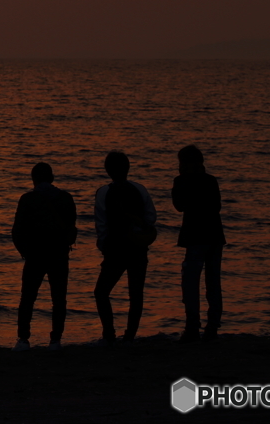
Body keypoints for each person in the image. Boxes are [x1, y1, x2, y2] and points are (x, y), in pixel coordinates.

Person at [10, 162, 77, 351]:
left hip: (35, 254)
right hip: (59, 254)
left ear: (33, 180)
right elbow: (72, 224)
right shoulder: (66, 198)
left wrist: (24, 252)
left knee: (28, 298)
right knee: (59, 298)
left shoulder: (27, 199)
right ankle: (55, 340)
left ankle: (23, 339)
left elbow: (17, 231)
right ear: (52, 178)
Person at [93, 151, 157, 344]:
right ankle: (130, 335)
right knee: (136, 294)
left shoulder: (104, 192)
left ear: (107, 170)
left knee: (101, 292)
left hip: (115, 249)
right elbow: (151, 218)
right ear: (128, 168)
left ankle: (109, 333)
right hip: (138, 248)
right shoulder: (140, 189)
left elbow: (101, 224)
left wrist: (102, 246)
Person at [172, 144, 226, 342]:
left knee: (191, 282)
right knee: (213, 282)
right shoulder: (211, 181)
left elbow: (179, 205)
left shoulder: (181, 181)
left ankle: (192, 326)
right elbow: (217, 206)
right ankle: (212, 327)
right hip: (214, 235)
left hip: (195, 237)